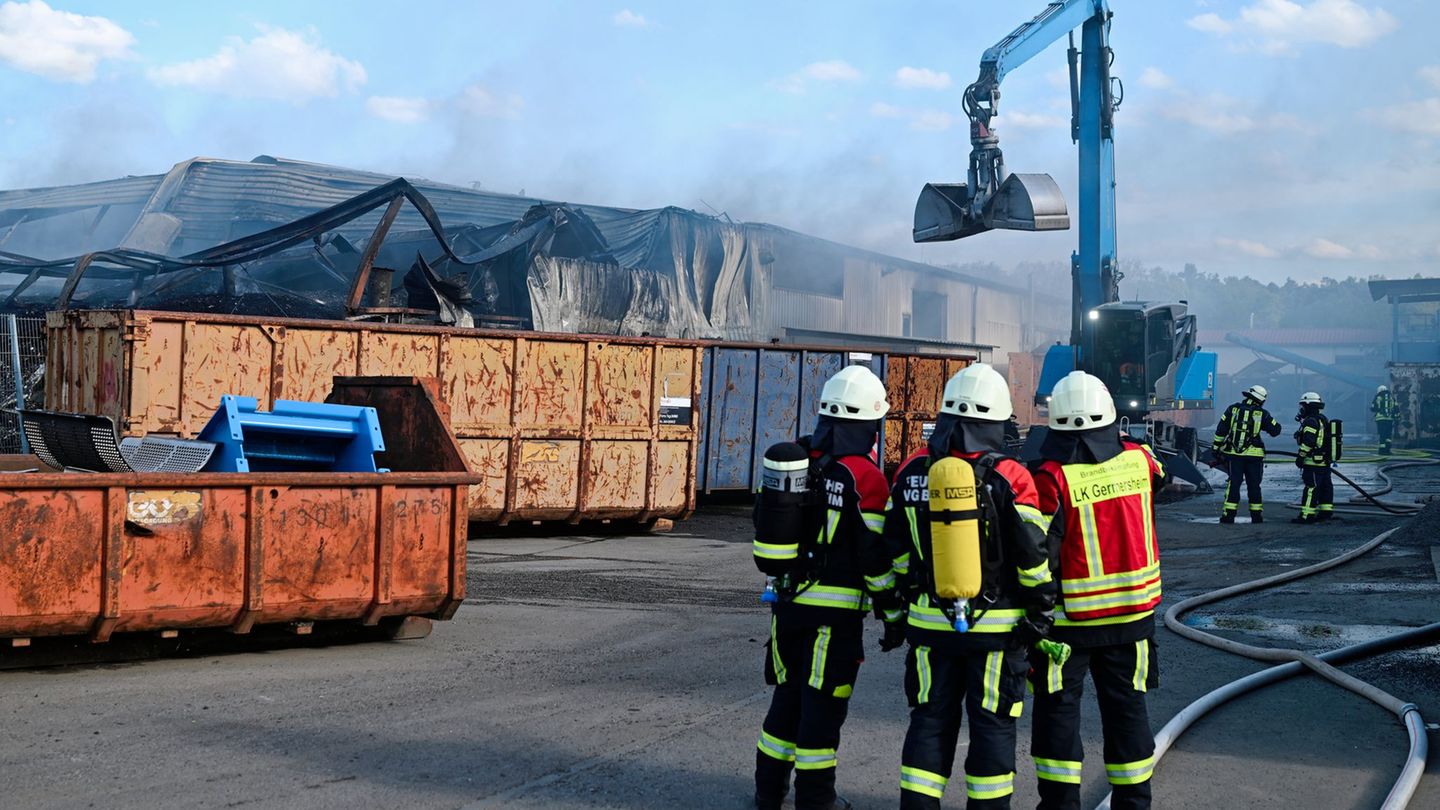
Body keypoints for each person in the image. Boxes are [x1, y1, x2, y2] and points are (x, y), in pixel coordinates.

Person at [884, 364, 1055, 808]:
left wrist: (900, 609)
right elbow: (1032, 558)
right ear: (996, 422)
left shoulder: (911, 471)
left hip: (928, 626)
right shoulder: (1013, 476)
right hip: (997, 635)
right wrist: (1039, 616)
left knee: (929, 722)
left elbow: (893, 549)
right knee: (993, 727)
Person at [751, 365, 900, 810]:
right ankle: (817, 801)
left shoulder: (798, 461)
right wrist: (892, 614)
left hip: (786, 606)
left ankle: (768, 794)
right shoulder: (864, 477)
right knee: (822, 710)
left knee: (786, 701)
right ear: (870, 424)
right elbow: (873, 559)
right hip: (833, 622)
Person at [1029, 371, 1167, 810]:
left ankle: (1060, 805)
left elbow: (1040, 552)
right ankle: (1133, 804)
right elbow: (1160, 477)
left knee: (1058, 716)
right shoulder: (1141, 461)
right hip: (1133, 620)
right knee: (1129, 714)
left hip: (1068, 627)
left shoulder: (1052, 477)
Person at [1212, 384, 1282, 524]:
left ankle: (1228, 516)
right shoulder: (1263, 414)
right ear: (1261, 400)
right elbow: (1276, 430)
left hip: (1234, 455)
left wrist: (1216, 448)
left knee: (1234, 484)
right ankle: (1256, 517)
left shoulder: (1232, 409)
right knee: (1254, 485)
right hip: (1254, 456)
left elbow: (1221, 430)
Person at [1293, 391, 1334, 524]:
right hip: (1324, 462)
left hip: (1313, 462)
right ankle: (1325, 513)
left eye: (1303, 406)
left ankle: (1307, 515)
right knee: (1325, 487)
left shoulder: (1311, 421)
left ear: (1309, 406)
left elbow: (1309, 442)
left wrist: (1300, 456)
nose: (1301, 409)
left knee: (1311, 487)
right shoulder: (1323, 419)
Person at [1372, 384, 1399, 455]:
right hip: (1389, 419)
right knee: (1388, 435)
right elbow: (1396, 408)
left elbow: (1373, 407)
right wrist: (1396, 417)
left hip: (1380, 419)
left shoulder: (1378, 397)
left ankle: (1381, 451)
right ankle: (1387, 450)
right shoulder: (1391, 398)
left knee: (1382, 434)